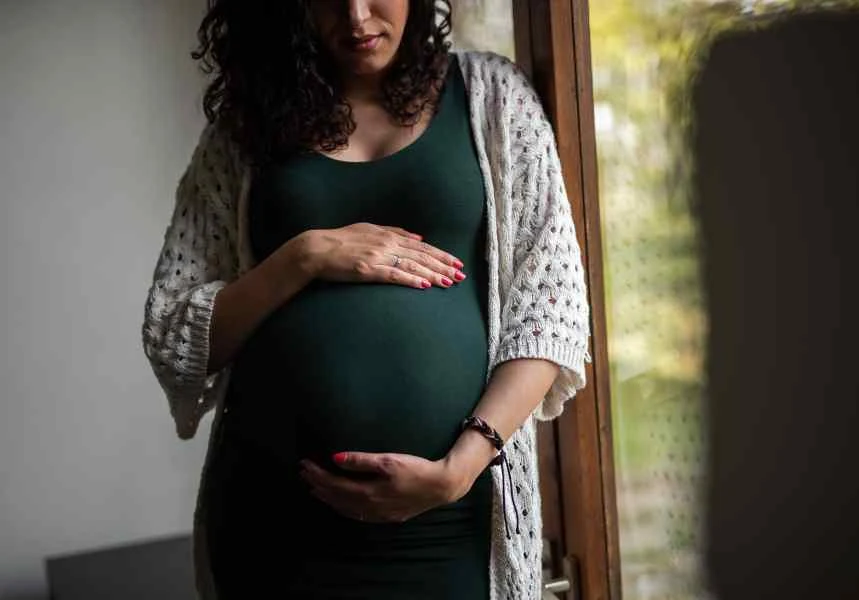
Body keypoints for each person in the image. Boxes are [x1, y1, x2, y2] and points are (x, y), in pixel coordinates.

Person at [141, 1, 591, 598]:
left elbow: (551, 308)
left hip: (449, 523)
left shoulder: (492, 96)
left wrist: (460, 469)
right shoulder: (246, 130)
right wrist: (304, 257)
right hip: (275, 528)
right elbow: (174, 332)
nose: (356, 16)